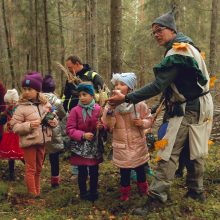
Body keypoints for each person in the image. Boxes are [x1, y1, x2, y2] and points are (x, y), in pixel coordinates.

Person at [108, 10, 213, 211]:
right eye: (153, 32)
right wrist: (160, 106)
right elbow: (175, 86)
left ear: (172, 30)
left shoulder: (179, 51)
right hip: (200, 105)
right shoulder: (188, 48)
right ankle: (196, 190)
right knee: (195, 148)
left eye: (159, 30)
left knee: (168, 151)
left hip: (189, 108)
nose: (156, 34)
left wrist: (127, 97)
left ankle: (156, 198)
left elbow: (158, 85)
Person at [102, 72, 153, 201]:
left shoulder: (139, 104)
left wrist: (142, 123)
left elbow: (149, 119)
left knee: (140, 168)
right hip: (121, 144)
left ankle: (144, 189)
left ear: (130, 88)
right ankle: (125, 193)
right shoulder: (111, 105)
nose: (118, 86)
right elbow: (108, 126)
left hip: (137, 143)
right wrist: (110, 112)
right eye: (116, 84)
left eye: (122, 84)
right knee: (124, 171)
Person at [10, 72, 58, 198]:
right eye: (24, 89)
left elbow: (53, 118)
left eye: (29, 89)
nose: (26, 92)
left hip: (42, 141)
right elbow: (14, 126)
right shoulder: (21, 107)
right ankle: (33, 195)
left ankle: (37, 192)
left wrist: (53, 122)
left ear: (37, 90)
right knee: (31, 169)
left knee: (39, 168)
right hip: (29, 142)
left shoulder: (45, 105)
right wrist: (29, 125)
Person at [63, 55, 105, 177]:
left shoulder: (92, 75)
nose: (69, 70)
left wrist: (97, 107)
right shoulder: (70, 78)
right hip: (74, 115)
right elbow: (66, 95)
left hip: (92, 115)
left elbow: (103, 91)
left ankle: (92, 176)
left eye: (70, 67)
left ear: (77, 64)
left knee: (93, 163)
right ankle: (78, 171)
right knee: (77, 148)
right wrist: (66, 109)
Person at [66, 82, 105, 202]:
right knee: (82, 171)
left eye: (85, 94)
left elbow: (105, 125)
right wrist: (82, 135)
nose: (82, 97)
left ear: (92, 96)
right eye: (80, 95)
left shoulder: (99, 109)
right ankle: (83, 193)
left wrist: (101, 127)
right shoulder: (75, 111)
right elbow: (69, 129)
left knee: (94, 170)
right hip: (80, 146)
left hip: (94, 146)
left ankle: (93, 192)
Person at [42, 74, 66, 188]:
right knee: (54, 156)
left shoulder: (38, 99)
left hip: (39, 130)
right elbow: (62, 114)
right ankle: (55, 181)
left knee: (39, 154)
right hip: (54, 130)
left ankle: (36, 179)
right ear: (53, 88)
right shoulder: (57, 100)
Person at [0, 89, 24, 180]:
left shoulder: (19, 109)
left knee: (21, 154)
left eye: (8, 102)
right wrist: (3, 116)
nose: (6, 105)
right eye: (5, 103)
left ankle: (31, 168)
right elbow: (2, 120)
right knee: (11, 155)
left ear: (14, 101)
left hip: (18, 135)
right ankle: (11, 174)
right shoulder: (7, 110)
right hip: (10, 135)